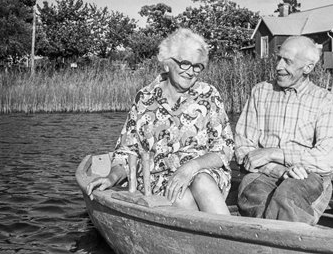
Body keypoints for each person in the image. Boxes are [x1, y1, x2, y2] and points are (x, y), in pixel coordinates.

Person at [87, 28, 234, 215]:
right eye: (185, 63)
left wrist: (191, 167)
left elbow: (225, 148)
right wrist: (111, 178)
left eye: (198, 66)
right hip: (159, 180)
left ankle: (231, 238)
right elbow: (127, 151)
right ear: (167, 63)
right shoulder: (145, 98)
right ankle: (208, 241)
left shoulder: (209, 95)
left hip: (205, 174)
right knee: (181, 197)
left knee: (202, 180)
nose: (191, 72)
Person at [235, 36, 333, 225]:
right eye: (279, 58)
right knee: (258, 197)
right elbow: (243, 148)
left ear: (308, 68)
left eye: (287, 61)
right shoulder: (261, 92)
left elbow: (328, 157)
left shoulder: (325, 101)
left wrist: (274, 154)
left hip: (307, 177)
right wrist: (279, 170)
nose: (278, 66)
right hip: (262, 174)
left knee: (287, 198)